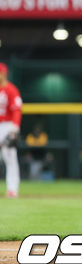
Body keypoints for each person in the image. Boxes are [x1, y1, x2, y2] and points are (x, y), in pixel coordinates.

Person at [0, 62, 22, 197]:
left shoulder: (11, 89)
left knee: (9, 157)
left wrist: (15, 127)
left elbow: (17, 110)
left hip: (7, 125)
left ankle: (12, 189)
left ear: (4, 73)